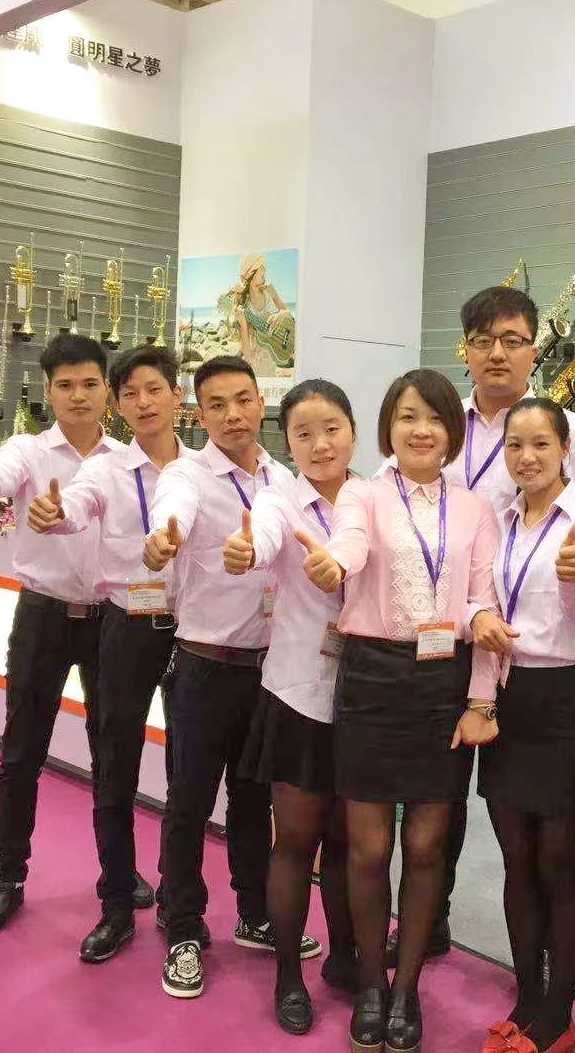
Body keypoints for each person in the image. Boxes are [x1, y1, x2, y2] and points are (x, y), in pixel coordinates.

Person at [387, 285, 575, 968]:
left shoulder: (569, 430)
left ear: (533, 350)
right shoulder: (441, 421)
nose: (497, 353)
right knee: (440, 793)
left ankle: (546, 973)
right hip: (447, 633)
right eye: (483, 340)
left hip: (531, 647)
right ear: (464, 349)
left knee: (544, 834)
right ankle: (430, 919)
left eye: (512, 340)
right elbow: (389, 492)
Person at [300, 368, 502, 1053]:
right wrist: (333, 564)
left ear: (452, 432)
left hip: (442, 683)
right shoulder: (363, 494)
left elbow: (482, 603)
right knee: (368, 848)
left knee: (424, 848)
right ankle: (369, 985)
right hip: (372, 680)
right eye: (408, 416)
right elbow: (350, 544)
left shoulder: (474, 509)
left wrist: (481, 696)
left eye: (435, 418)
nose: (421, 430)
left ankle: (407, 988)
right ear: (388, 425)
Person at [141, 355, 318, 999]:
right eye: (217, 405)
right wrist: (164, 537)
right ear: (199, 413)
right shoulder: (186, 474)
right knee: (189, 801)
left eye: (243, 400)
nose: (233, 414)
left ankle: (254, 913)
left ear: (260, 403)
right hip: (203, 667)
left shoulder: (281, 476)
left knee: (252, 801)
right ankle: (183, 926)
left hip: (267, 671)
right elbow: (174, 508)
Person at [0, 334, 143, 935]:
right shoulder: (27, 452)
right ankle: (7, 877)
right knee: (21, 752)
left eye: (89, 384)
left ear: (106, 390)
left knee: (114, 756)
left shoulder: (127, 459)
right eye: (65, 385)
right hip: (41, 618)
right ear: (48, 391)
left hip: (111, 621)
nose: (78, 395)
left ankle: (120, 872)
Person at [25, 345, 199, 964]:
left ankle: (179, 902)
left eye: (155, 389)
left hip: (192, 632)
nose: (144, 403)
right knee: (115, 765)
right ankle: (116, 902)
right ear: (118, 406)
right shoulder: (106, 470)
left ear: (177, 396)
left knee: (188, 772)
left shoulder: (202, 470)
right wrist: (54, 513)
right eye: (130, 394)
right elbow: (75, 506)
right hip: (127, 627)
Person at [472, 399, 575, 1053]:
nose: (527, 457)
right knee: (518, 861)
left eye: (540, 444)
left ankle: (559, 1017)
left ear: (566, 448)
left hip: (572, 698)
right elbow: (478, 596)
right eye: (515, 445)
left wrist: (571, 578)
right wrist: (478, 615)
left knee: (561, 863)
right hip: (510, 696)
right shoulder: (498, 519)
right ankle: (527, 1000)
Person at [222, 379, 357, 1035]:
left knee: (352, 844)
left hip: (366, 703)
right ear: (288, 443)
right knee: (296, 844)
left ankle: (348, 960)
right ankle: (287, 976)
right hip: (300, 693)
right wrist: (248, 551)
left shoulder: (373, 499)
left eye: (331, 429)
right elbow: (266, 536)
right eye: (303, 433)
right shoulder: (277, 500)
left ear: (352, 431)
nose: (319, 444)